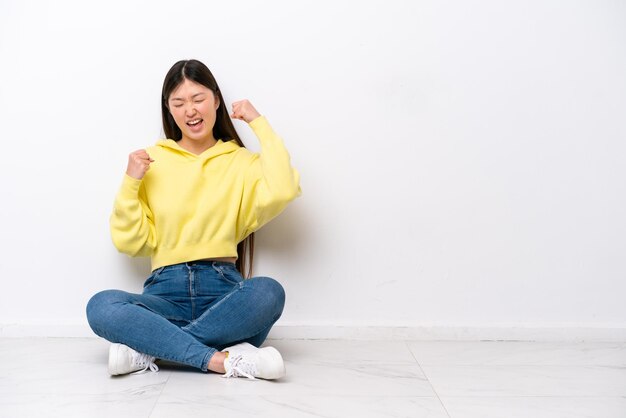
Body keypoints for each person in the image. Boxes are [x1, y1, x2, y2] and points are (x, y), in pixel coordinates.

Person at [86, 59, 301, 380]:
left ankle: (150, 348)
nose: (190, 110)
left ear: (216, 100)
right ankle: (224, 359)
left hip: (226, 294)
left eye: (198, 99)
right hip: (164, 293)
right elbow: (130, 242)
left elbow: (283, 189)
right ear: (169, 110)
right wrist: (131, 182)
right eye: (179, 102)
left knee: (268, 291)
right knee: (101, 305)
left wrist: (258, 123)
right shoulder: (151, 161)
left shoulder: (241, 162)